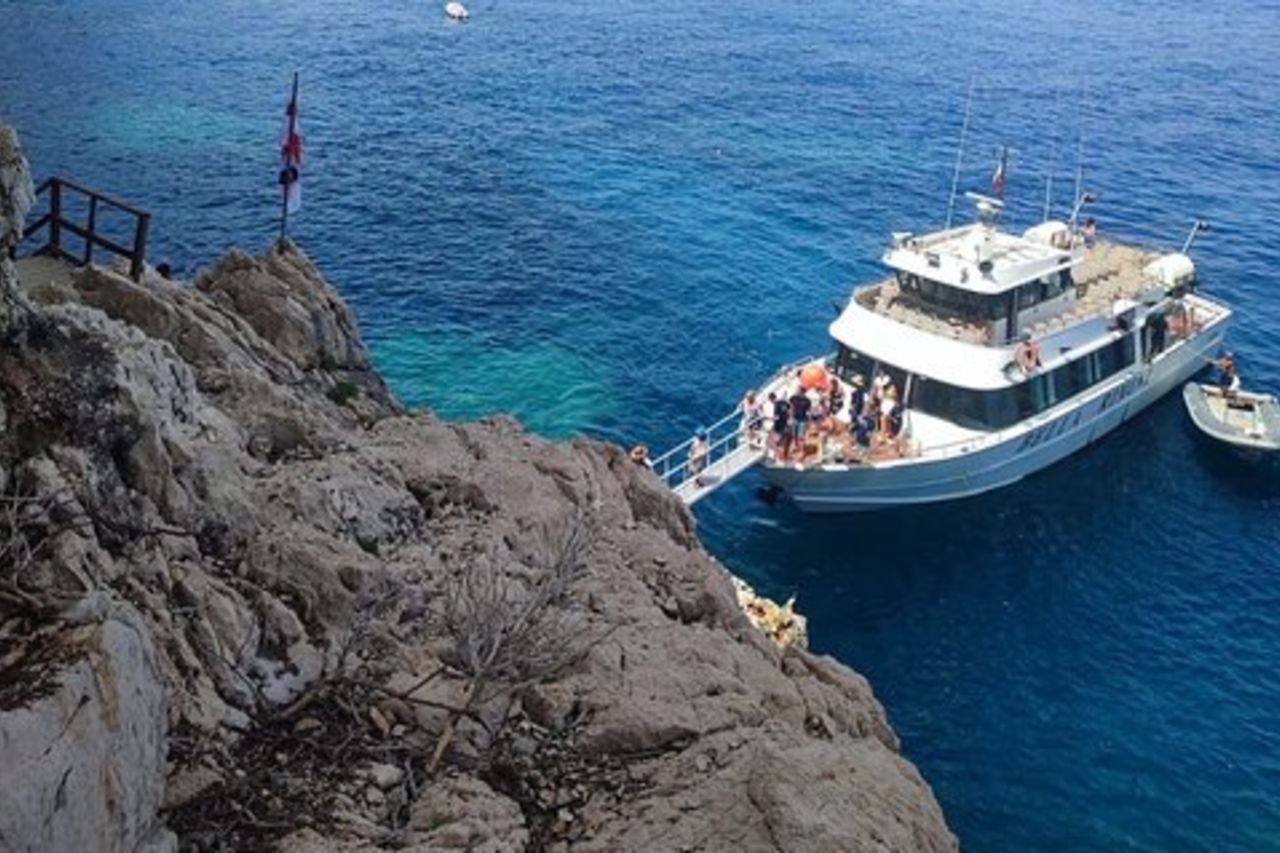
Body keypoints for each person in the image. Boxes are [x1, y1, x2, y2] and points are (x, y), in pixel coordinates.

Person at [789, 385, 811, 462]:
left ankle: (802, 451)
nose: (797, 391)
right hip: (795, 419)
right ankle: (795, 449)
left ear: (802, 391)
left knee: (800, 437)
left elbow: (808, 412)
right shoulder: (793, 398)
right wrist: (790, 418)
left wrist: (808, 422)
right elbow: (791, 408)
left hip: (802, 420)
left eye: (798, 390)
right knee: (794, 436)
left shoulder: (807, 400)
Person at [772, 393, 792, 462]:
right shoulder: (784, 403)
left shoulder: (776, 405)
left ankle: (780, 456)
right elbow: (789, 410)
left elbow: (776, 417)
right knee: (785, 441)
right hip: (784, 426)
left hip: (779, 427)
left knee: (779, 442)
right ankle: (783, 456)